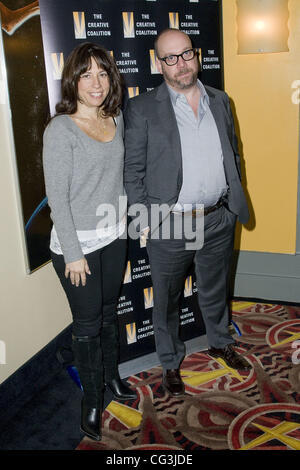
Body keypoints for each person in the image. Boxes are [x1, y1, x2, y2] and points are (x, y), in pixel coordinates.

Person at [124, 28, 251, 398]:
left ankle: (219, 341)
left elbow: (234, 153)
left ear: (196, 54)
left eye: (186, 54)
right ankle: (169, 362)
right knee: (165, 300)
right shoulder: (142, 107)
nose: (181, 64)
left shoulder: (220, 99)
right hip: (171, 223)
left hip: (217, 216)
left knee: (214, 289)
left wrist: (230, 202)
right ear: (158, 63)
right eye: (170, 58)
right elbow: (132, 171)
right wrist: (147, 219)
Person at [43, 42, 137, 441]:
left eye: (102, 73)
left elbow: (117, 181)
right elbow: (57, 200)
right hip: (76, 245)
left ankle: (112, 378)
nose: (95, 83)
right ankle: (92, 402)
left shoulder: (113, 118)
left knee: (109, 311)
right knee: (86, 324)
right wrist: (74, 254)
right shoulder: (61, 129)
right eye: (86, 74)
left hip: (113, 236)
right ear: (73, 81)